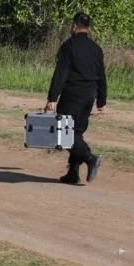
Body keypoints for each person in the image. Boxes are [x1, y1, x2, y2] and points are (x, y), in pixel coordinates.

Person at [46, 12, 107, 185]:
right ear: (88, 27)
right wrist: (102, 100)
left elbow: (61, 74)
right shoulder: (96, 48)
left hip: (72, 95)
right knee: (76, 133)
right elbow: (102, 76)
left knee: (64, 132)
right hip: (89, 97)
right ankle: (73, 173)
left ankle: (90, 158)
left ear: (74, 26)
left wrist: (52, 97)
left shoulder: (69, 46)